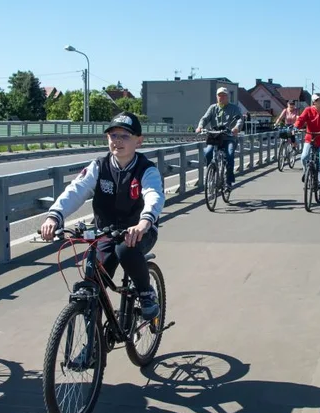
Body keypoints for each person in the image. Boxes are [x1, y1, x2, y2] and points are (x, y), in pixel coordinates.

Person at [40, 112, 165, 320]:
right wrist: (55, 216)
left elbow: (154, 195)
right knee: (93, 285)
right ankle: (93, 346)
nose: (117, 141)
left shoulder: (146, 170)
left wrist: (144, 222)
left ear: (139, 141)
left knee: (126, 249)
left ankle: (145, 293)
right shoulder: (98, 166)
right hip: (105, 232)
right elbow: (76, 190)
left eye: (125, 136)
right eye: (113, 135)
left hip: (138, 231)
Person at [195, 87, 245, 195]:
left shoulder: (233, 108)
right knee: (208, 153)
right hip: (215, 136)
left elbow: (240, 119)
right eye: (219, 95)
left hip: (228, 137)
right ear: (217, 97)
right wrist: (200, 127)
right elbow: (205, 118)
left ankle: (228, 181)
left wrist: (236, 128)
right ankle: (212, 173)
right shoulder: (213, 108)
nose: (221, 97)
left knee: (230, 155)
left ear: (228, 97)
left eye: (224, 95)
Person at [294, 93, 320, 197]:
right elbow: (301, 120)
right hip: (310, 139)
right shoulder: (308, 110)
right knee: (304, 157)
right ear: (315, 102)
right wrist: (295, 128)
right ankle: (306, 173)